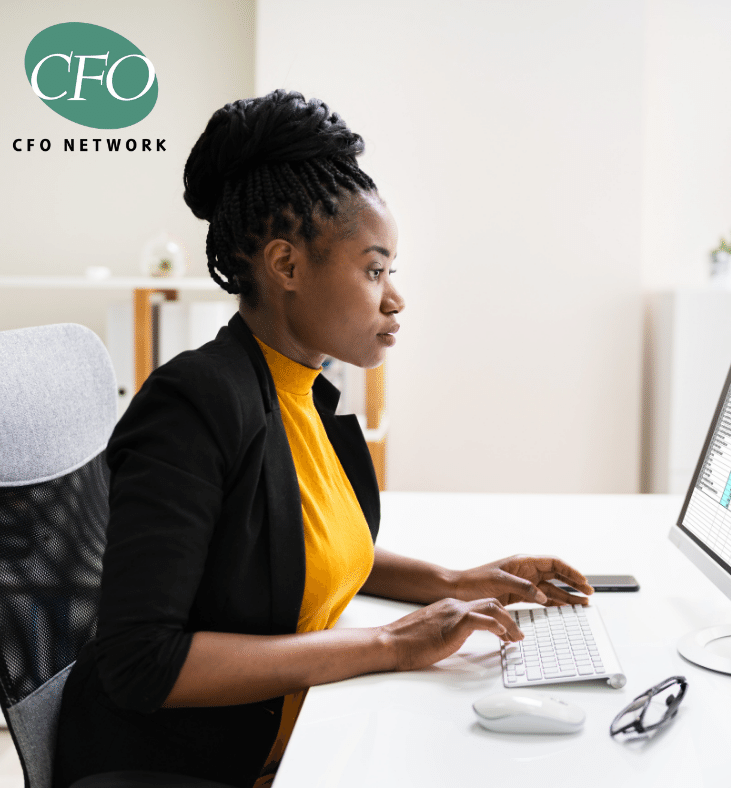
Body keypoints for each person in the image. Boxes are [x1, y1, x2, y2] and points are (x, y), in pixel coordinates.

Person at [53, 89, 593, 788]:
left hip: (300, 739)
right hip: (177, 765)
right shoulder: (195, 404)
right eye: (374, 270)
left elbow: (301, 553)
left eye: (390, 271)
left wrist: (458, 580)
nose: (394, 297)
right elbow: (140, 662)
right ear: (286, 266)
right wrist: (387, 645)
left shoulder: (306, 394)